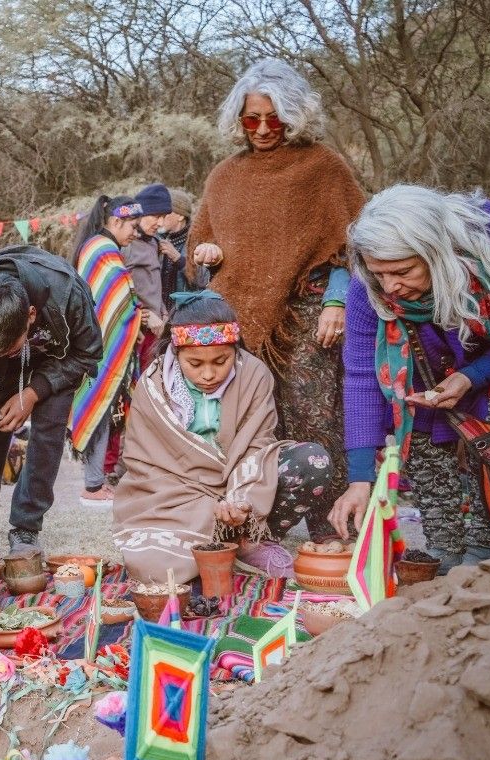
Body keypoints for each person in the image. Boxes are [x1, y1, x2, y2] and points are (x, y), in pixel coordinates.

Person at [188, 59, 365, 539]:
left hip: (309, 314)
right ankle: (259, 525)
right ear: (239, 120)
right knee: (251, 423)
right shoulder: (225, 175)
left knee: (315, 417)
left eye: (275, 118)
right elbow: (202, 244)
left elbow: (352, 243)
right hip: (238, 318)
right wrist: (207, 252)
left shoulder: (322, 166)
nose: (264, 129)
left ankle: (331, 531)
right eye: (252, 119)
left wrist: (337, 302)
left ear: (295, 116)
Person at [330, 186, 490, 571]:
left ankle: (486, 547)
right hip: (424, 369)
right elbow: (361, 377)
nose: (390, 287)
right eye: (379, 273)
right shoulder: (368, 287)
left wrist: (473, 376)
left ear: (437, 252)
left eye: (402, 271)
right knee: (417, 417)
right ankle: (443, 548)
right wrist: (360, 478)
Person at [114, 292, 334, 582]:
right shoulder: (153, 386)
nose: (208, 374)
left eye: (221, 361)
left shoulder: (254, 374)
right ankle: (216, 537)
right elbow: (144, 462)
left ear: (235, 349)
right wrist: (210, 505)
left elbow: (258, 444)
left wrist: (242, 500)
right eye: (195, 364)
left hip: (242, 483)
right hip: (176, 493)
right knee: (156, 565)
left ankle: (251, 541)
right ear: (175, 353)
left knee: (313, 461)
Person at [0, 246, 102, 552]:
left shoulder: (68, 295)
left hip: (61, 357)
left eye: (9, 349)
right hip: (7, 359)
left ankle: (26, 525)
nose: (3, 354)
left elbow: (89, 352)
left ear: (31, 315)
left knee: (48, 431)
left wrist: (33, 392)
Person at [68, 196, 144, 509]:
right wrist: (139, 313)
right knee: (99, 408)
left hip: (95, 343)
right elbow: (118, 300)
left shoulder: (96, 247)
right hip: (102, 346)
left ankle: (96, 482)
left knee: (102, 410)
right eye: (133, 226)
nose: (136, 233)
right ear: (115, 221)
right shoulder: (102, 250)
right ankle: (93, 485)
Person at [124, 183, 172, 344]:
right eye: (156, 216)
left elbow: (154, 285)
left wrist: (163, 312)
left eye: (164, 217)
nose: (161, 223)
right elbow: (119, 287)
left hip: (157, 326)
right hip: (136, 327)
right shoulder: (126, 244)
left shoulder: (154, 243)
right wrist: (144, 314)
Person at [159, 188, 193, 295]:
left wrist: (178, 258)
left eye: (165, 214)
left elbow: (202, 281)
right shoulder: (155, 238)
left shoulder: (196, 241)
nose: (160, 219)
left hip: (184, 305)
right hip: (158, 306)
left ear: (181, 216)